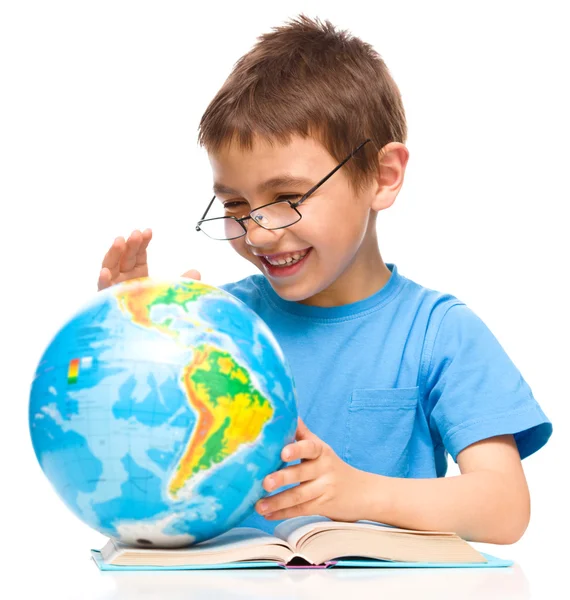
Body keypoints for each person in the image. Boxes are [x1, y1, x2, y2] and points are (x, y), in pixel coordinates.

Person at [97, 15, 551, 544]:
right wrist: (131, 344)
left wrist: (357, 492)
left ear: (383, 177)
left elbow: (505, 507)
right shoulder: (216, 327)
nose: (260, 233)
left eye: (288, 198)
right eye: (236, 204)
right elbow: (138, 469)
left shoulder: (438, 331)